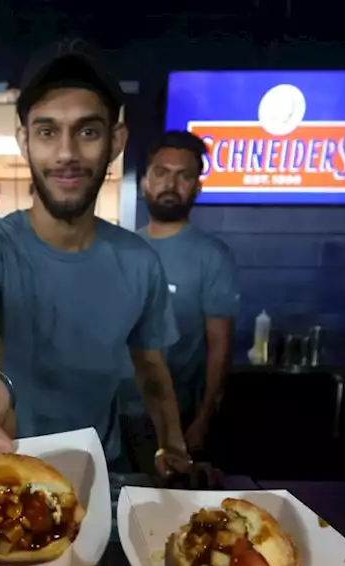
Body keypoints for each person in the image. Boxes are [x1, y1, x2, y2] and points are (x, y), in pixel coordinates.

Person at [0, 41, 191, 476]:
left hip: (97, 472)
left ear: (115, 141)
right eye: (48, 131)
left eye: (87, 131)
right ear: (24, 142)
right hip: (3, 467)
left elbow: (151, 370)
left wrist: (173, 446)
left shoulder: (139, 262)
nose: (67, 153)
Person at [119, 131, 239, 473]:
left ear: (196, 188)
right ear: (145, 182)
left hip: (175, 418)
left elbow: (220, 348)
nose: (170, 183)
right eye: (161, 172)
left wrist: (202, 419)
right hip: (115, 415)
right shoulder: (122, 250)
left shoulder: (212, 257)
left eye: (183, 175)